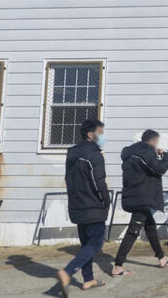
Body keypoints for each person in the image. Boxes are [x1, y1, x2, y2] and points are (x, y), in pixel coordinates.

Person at [56, 119, 110, 297]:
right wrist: (106, 201)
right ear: (90, 134)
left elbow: (68, 180)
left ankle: (88, 279)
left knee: (86, 244)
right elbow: (98, 182)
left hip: (77, 205)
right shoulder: (93, 155)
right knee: (95, 244)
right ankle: (67, 272)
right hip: (92, 205)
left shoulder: (72, 154)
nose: (103, 136)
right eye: (100, 132)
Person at [112, 129, 168, 276]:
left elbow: (146, 168)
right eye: (157, 142)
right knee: (134, 230)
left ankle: (162, 257)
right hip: (141, 197)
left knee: (150, 225)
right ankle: (118, 266)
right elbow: (159, 169)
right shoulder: (146, 152)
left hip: (133, 195)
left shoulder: (131, 153)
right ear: (152, 141)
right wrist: (165, 156)